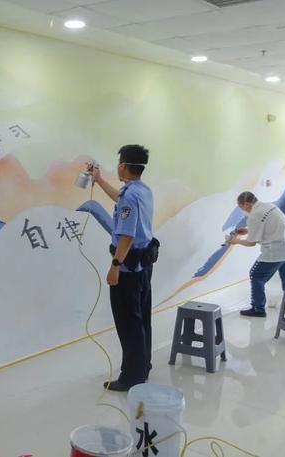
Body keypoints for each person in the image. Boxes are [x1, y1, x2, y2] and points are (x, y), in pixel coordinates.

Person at [90, 145, 155, 392]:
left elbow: (127, 235)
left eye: (119, 162)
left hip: (128, 269)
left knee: (128, 324)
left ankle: (131, 377)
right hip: (143, 267)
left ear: (124, 165)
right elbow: (119, 198)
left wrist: (115, 266)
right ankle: (143, 366)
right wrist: (99, 180)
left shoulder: (130, 195)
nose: (117, 165)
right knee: (141, 319)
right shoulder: (141, 190)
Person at [227, 191, 285, 317]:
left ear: (246, 204)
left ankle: (258, 309)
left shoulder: (254, 215)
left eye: (240, 207)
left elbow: (251, 243)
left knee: (256, 275)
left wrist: (235, 241)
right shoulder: (269, 205)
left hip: (276, 249)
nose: (242, 210)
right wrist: (247, 230)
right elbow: (268, 224)